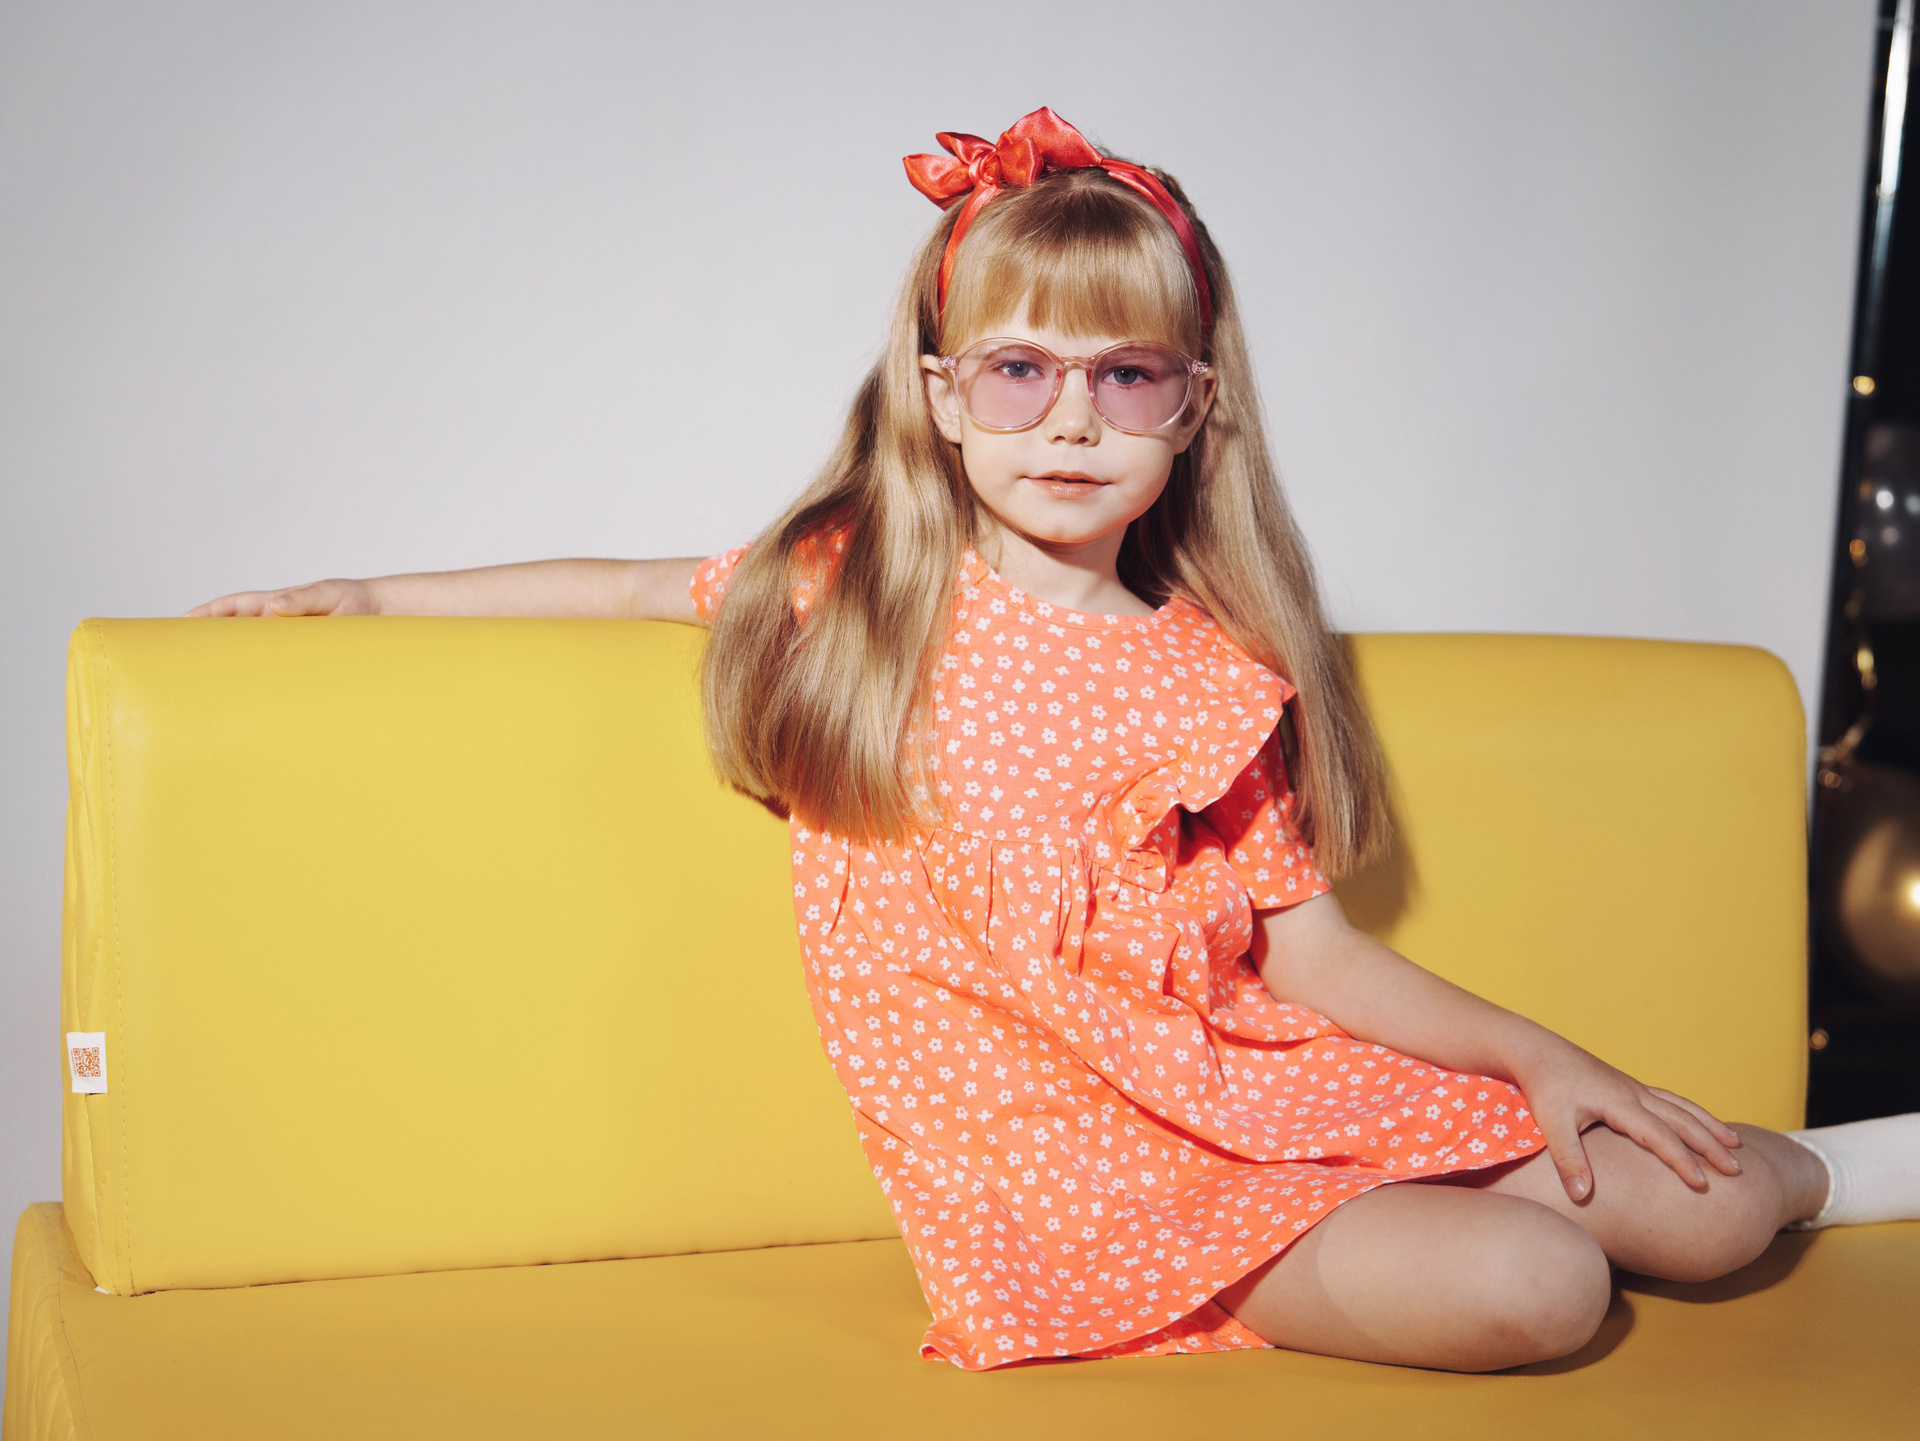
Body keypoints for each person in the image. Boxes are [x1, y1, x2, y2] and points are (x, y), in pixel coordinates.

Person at [190, 107, 1919, 1373]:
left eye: (1125, 376)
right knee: (1548, 1294)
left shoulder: (1215, 665)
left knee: (1709, 1209)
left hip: (1249, 1073)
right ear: (941, 396)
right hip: (1071, 1171)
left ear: (1193, 408)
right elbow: (635, 581)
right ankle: (1440, 1232)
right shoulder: (855, 589)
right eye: (1018, 371)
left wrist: (1548, 1061)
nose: (1072, 419)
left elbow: (1312, 954)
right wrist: (370, 591)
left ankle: (1838, 1166)